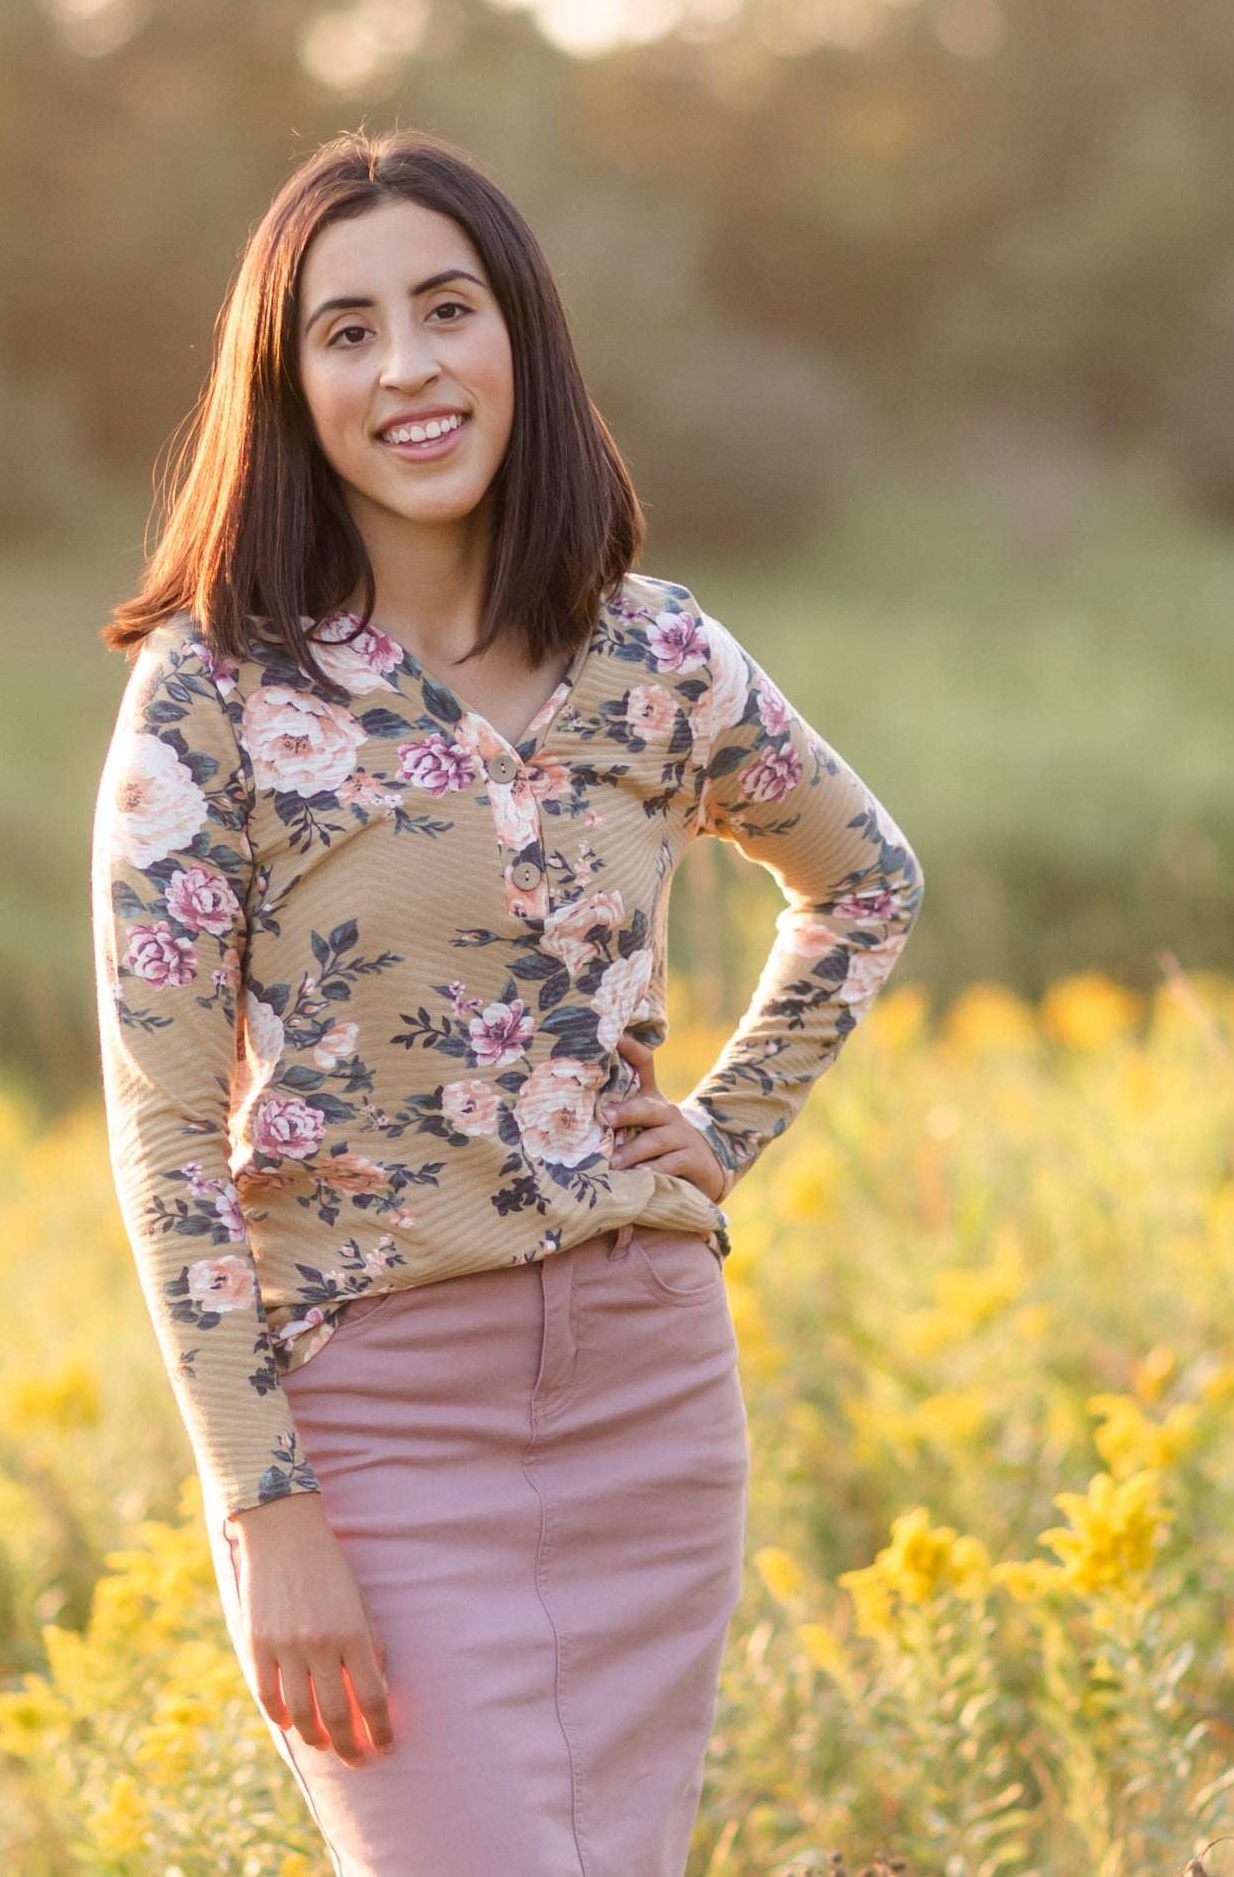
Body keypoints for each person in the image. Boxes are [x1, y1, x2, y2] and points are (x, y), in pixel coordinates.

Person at [89, 127, 925, 1877]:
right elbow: (167, 1137)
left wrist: (719, 1127)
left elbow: (866, 880)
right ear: (288, 381)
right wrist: (269, 1512)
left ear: (519, 344)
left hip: (645, 1403)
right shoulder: (213, 702)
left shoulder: (659, 656)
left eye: (445, 309)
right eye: (344, 329)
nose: (405, 366)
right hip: (372, 1431)